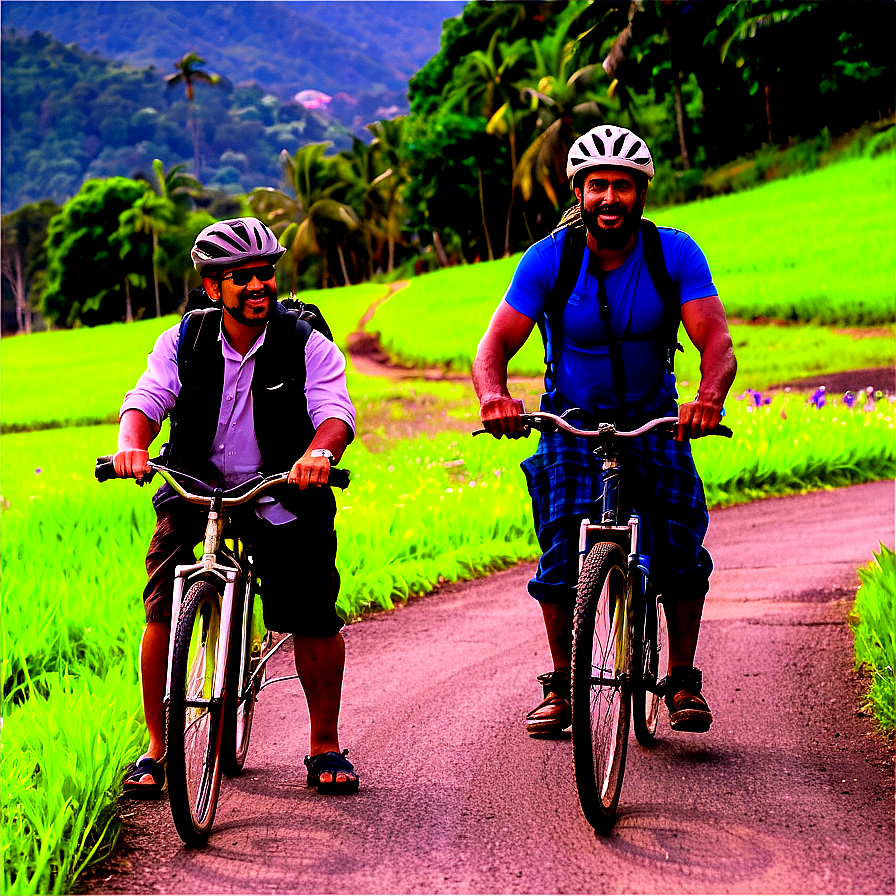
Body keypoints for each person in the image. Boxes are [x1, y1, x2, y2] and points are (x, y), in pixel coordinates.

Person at [472, 125, 737, 737]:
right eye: (598, 186)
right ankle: (565, 683)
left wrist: (707, 400)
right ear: (579, 191)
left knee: (679, 549)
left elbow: (715, 340)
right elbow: (495, 345)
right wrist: (494, 397)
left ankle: (682, 676)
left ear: (642, 193)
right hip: (571, 422)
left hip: (655, 420)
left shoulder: (674, 253)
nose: (609, 197)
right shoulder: (550, 259)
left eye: (622, 185)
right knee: (563, 547)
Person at [114, 217, 360, 795]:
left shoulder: (306, 343)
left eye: (264, 275)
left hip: (281, 488)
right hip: (194, 485)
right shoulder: (185, 341)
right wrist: (131, 445)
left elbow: (334, 414)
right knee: (160, 607)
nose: (257, 287)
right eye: (240, 278)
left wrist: (319, 454)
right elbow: (148, 397)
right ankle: (157, 748)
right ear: (213, 288)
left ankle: (324, 744)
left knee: (312, 613)